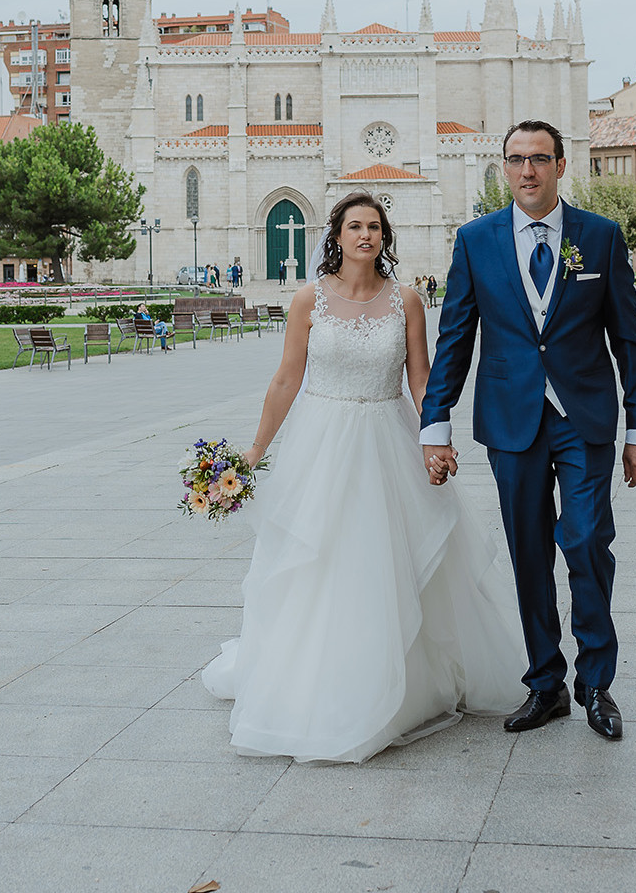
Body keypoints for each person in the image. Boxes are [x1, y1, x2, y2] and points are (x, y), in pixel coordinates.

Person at [204, 192, 523, 762]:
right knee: (319, 558)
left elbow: (423, 380)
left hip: (387, 438)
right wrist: (255, 449)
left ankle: (395, 681)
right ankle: (314, 681)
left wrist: (437, 437)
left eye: (375, 227)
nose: (366, 235)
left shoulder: (407, 301)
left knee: (385, 559)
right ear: (337, 234)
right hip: (321, 444)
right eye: (355, 226)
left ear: (384, 236)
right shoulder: (308, 300)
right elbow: (285, 380)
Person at [420, 120, 636, 740]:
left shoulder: (600, 238)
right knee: (529, 553)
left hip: (584, 419)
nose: (528, 171)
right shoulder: (476, 241)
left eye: (540, 159)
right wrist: (435, 423)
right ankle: (546, 683)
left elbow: (629, 342)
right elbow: (455, 340)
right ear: (505, 168)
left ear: (560, 165)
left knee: (584, 541)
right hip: (511, 420)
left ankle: (597, 682)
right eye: (516, 160)